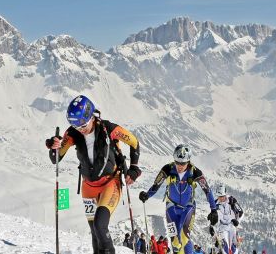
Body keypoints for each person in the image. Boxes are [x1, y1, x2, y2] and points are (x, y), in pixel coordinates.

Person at [46, 95, 142, 254]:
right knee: (95, 237)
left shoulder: (108, 128)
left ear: (91, 116)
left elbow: (134, 142)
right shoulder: (72, 133)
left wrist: (134, 167)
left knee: (100, 225)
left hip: (111, 184)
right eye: (76, 125)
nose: (80, 129)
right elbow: (56, 159)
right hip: (88, 187)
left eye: (83, 124)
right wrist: (54, 146)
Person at [139, 144, 218, 254]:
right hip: (171, 207)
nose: (180, 165)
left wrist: (213, 209)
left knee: (184, 237)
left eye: (183, 163)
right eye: (177, 162)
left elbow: (207, 190)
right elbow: (156, 185)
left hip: (188, 207)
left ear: (188, 161)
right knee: (175, 243)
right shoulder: (168, 169)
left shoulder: (195, 172)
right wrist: (147, 195)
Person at [212, 184, 244, 254]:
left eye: (223, 196)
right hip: (222, 227)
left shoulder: (232, 200)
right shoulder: (215, 204)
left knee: (233, 247)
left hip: (232, 226)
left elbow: (241, 212)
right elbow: (213, 218)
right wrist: (212, 226)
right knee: (224, 246)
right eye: (220, 196)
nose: (221, 198)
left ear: (225, 194)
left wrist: (237, 222)